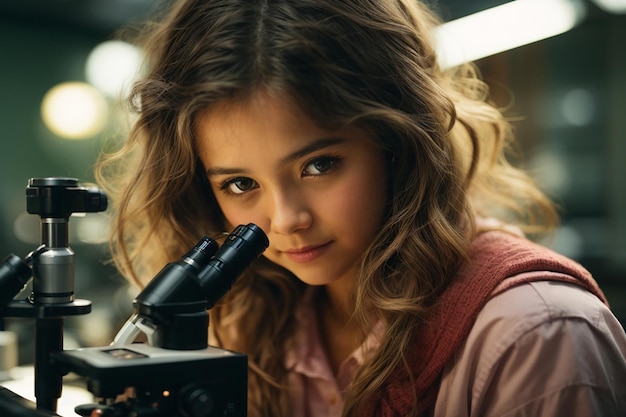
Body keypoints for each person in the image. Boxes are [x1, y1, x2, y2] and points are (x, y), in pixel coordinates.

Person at [95, 0, 626, 416]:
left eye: (319, 165)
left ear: (398, 140)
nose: (285, 220)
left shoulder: (538, 334)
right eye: (239, 183)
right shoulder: (248, 319)